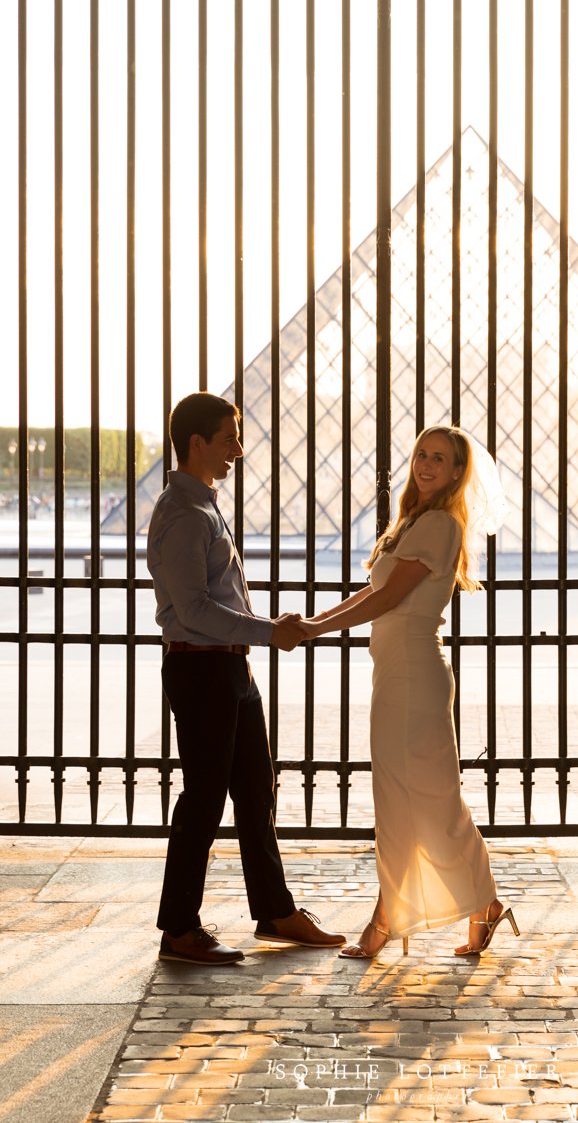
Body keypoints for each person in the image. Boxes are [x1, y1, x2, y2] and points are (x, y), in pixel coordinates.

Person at [297, 425, 518, 958]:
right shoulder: (414, 523)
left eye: (439, 459)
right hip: (398, 676)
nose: (425, 464)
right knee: (412, 801)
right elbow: (371, 593)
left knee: (425, 802)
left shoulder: (440, 524)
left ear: (458, 473)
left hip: (413, 678)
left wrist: (312, 630)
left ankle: (386, 922)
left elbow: (385, 600)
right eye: (421, 454)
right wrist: (312, 622)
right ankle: (479, 906)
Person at [147, 392, 346, 964]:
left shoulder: (202, 505)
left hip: (227, 665)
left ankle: (274, 911)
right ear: (197, 444)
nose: (239, 447)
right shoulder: (185, 514)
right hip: (203, 665)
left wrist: (254, 640)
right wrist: (269, 632)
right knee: (205, 798)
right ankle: (179, 928)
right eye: (229, 436)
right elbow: (193, 611)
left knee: (256, 790)